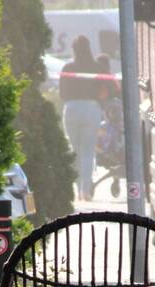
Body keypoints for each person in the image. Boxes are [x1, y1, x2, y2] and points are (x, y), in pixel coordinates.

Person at [60, 35, 104, 202]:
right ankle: (85, 190)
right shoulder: (97, 67)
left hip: (71, 108)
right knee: (88, 152)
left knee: (75, 151)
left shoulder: (67, 67)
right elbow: (107, 90)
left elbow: (62, 93)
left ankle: (77, 189)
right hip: (91, 108)